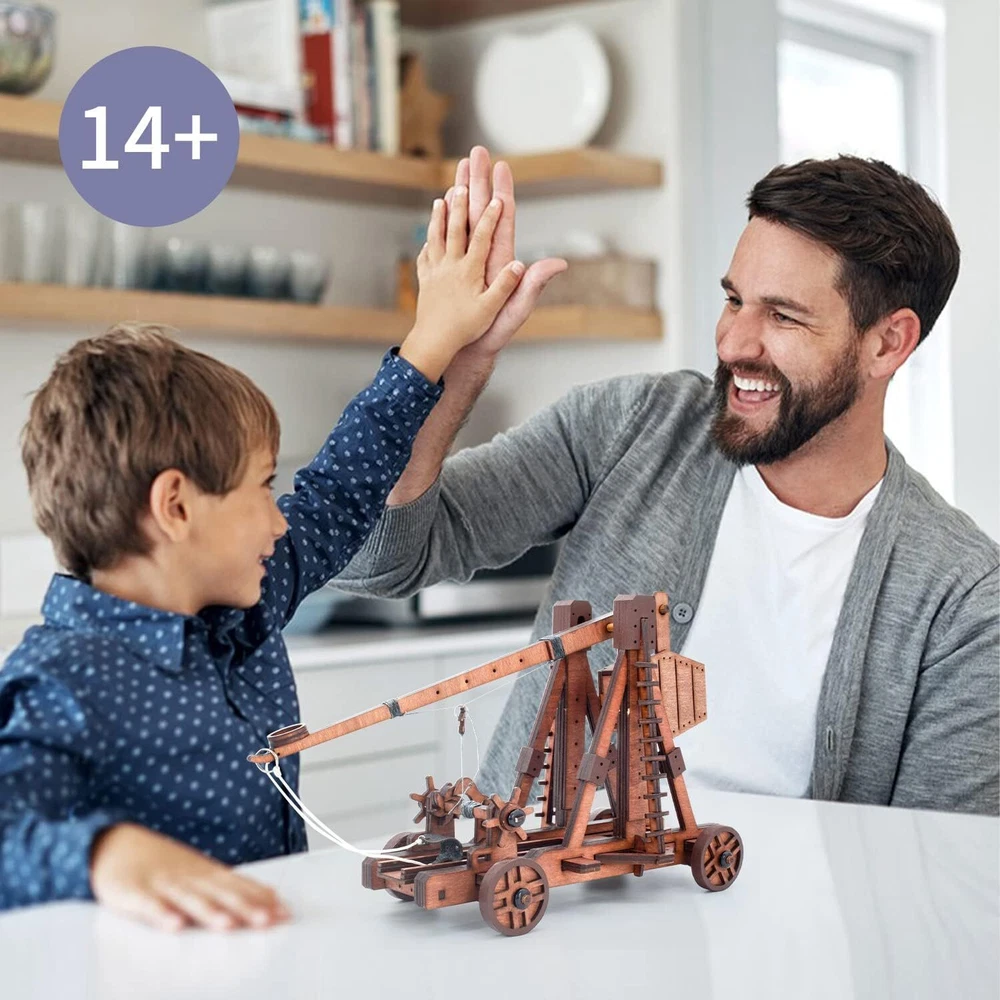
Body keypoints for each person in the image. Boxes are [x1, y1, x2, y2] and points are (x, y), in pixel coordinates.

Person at [336, 148, 999, 817]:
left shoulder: (962, 599)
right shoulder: (633, 426)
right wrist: (455, 363)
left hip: (765, 892)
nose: (733, 343)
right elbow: (376, 560)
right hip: (538, 879)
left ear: (888, 343)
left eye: (783, 316)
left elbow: (937, 861)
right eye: (734, 300)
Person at [0, 184, 547, 928]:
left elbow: (339, 490)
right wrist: (104, 854)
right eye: (261, 487)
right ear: (176, 507)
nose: (278, 517)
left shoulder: (245, 605)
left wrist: (434, 342)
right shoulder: (60, 681)